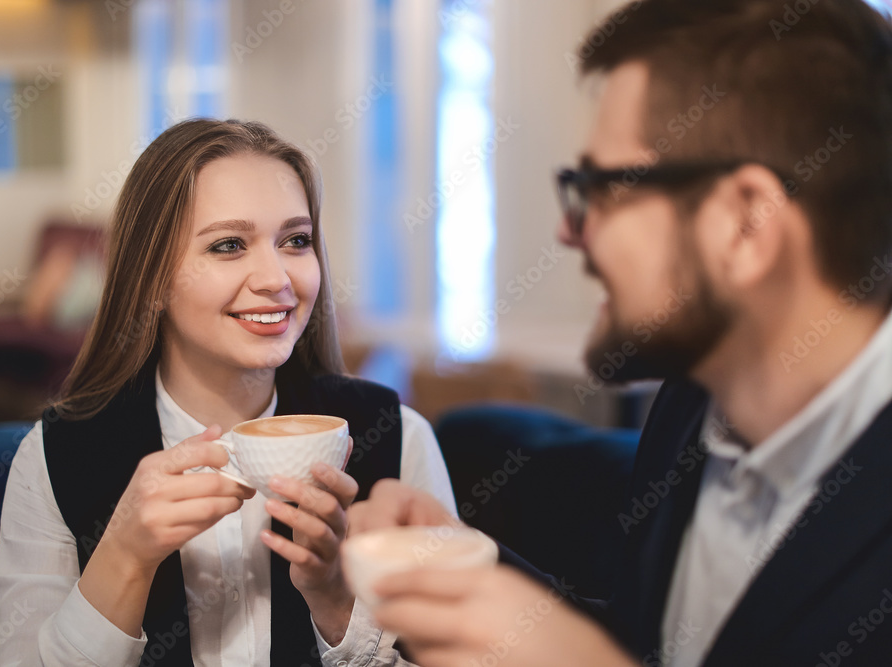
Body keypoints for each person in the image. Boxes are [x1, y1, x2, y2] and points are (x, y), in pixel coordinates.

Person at [347, 0, 892, 665]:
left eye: (600, 187)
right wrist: (470, 567)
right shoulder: (691, 406)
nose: (568, 229)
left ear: (746, 223)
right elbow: (657, 644)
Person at [0, 119, 457, 667]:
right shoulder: (53, 456)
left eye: (296, 240)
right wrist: (124, 557)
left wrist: (336, 602)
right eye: (229, 245)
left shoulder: (398, 436)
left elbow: (462, 653)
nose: (276, 277)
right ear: (152, 276)